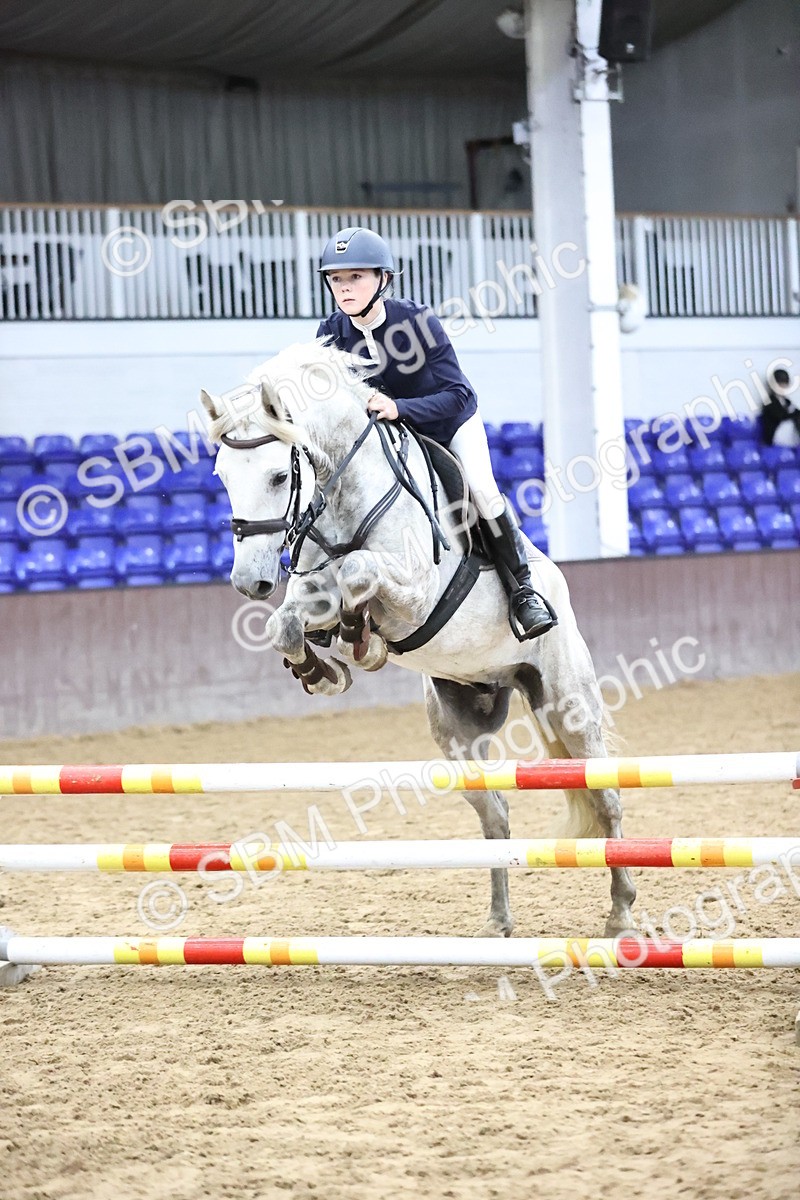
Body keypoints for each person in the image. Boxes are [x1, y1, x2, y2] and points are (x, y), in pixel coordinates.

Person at [315, 226, 556, 640]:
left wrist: (399, 408)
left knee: (481, 489)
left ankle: (523, 592)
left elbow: (459, 394)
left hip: (448, 426)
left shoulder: (416, 321)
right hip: (390, 442)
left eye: (356, 277)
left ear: (383, 280)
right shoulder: (332, 331)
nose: (344, 287)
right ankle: (326, 604)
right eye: (337, 278)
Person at [760, 365, 800, 447]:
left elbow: (796, 412)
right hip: (775, 437)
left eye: (784, 385)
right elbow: (780, 416)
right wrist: (792, 414)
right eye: (779, 385)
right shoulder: (769, 401)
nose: (782, 388)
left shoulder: (786, 401)